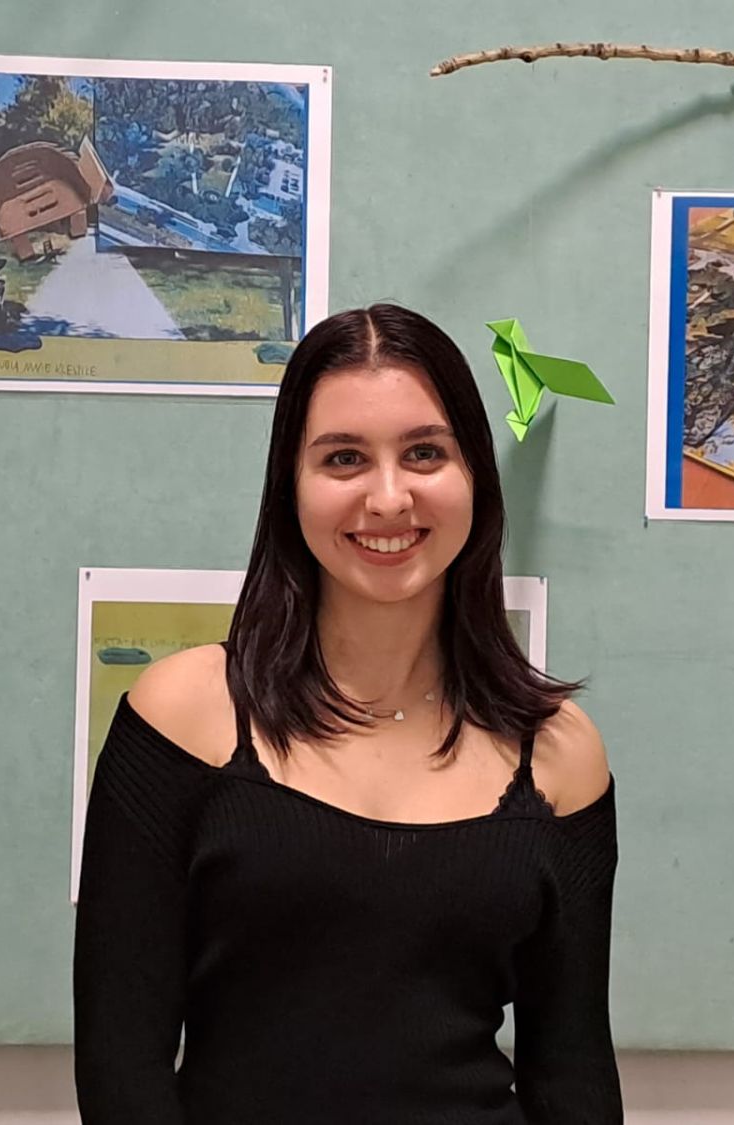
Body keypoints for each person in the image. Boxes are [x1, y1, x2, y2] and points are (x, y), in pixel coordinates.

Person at [73, 303, 622, 1123]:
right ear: (290, 486)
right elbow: (121, 1064)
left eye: (425, 452)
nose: (389, 497)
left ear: (474, 473)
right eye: (344, 458)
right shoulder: (184, 714)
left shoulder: (558, 753)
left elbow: (572, 1071)